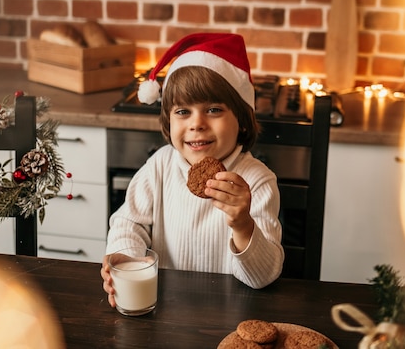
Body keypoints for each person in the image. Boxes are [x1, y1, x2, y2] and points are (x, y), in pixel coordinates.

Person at [101, 33, 284, 307]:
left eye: (213, 109)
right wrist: (128, 258)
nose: (197, 124)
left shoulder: (257, 182)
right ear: (167, 121)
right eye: (183, 112)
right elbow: (129, 222)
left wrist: (243, 224)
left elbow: (263, 277)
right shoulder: (160, 165)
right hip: (163, 309)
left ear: (242, 120)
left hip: (229, 316)